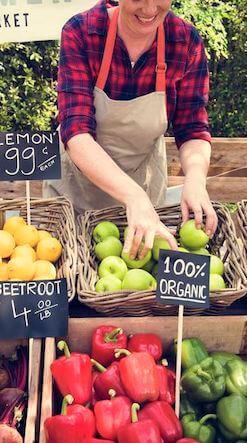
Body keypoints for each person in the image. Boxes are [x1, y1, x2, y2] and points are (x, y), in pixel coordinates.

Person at [44, 0, 217, 259]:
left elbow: (192, 127)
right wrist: (133, 197)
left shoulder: (184, 41)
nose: (149, 10)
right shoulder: (83, 31)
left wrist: (195, 179)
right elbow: (76, 130)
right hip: (76, 193)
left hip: (145, 195)